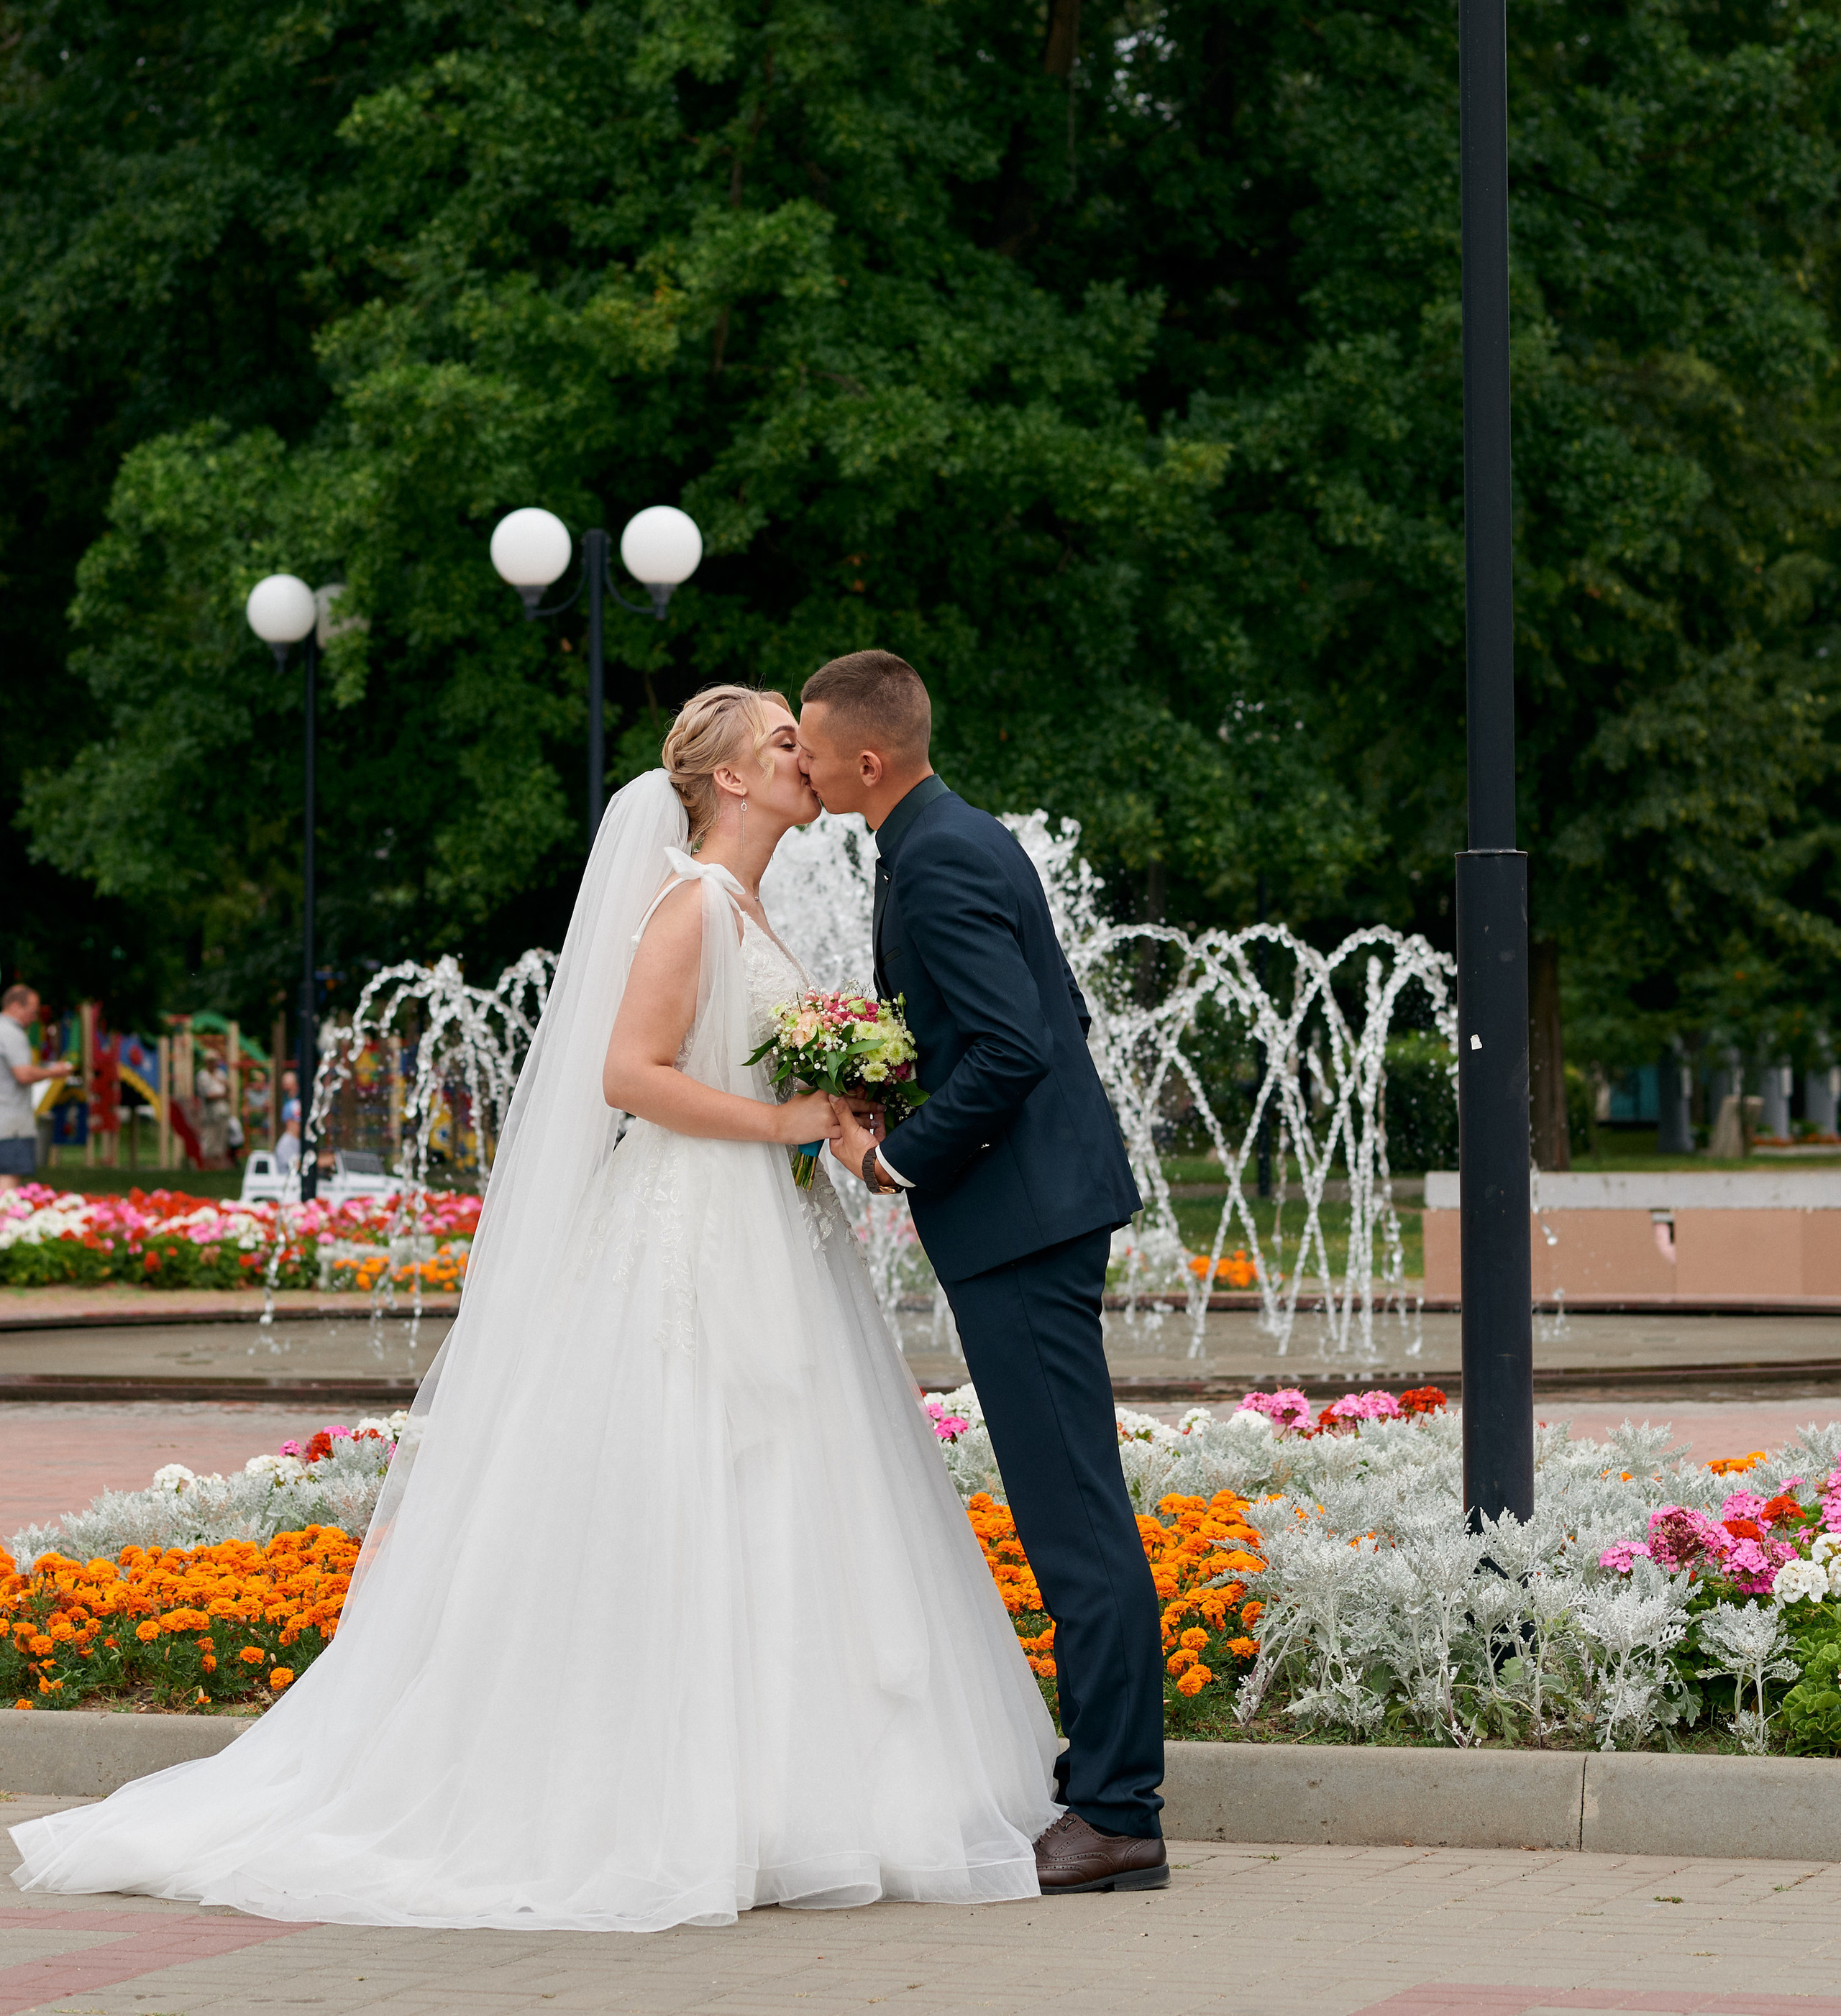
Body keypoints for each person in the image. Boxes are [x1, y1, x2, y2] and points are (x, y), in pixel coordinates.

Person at [11, 685, 1056, 1928]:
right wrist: (785, 1118)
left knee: (795, 1484)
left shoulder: (756, 909)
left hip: (776, 1230)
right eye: (783, 740)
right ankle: (673, 1794)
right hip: (689, 1232)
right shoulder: (690, 906)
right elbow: (630, 1074)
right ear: (727, 777)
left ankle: (799, 1790)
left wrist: (845, 1123)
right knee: (696, 1475)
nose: (806, 757)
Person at [799, 651, 1167, 1897]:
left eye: (806, 745)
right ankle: (1105, 1787)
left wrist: (893, 1158)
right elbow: (1031, 1015)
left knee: (1073, 1514)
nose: (795, 762)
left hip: (1020, 1220)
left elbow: (1014, 1046)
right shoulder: (954, 835)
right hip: (1035, 1207)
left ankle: (1119, 1810)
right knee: (1072, 1502)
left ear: (865, 761)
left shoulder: (940, 854)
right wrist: (893, 1078)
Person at [0, 985, 73, 1194]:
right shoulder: (11, 1032)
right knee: (7, 1187)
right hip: (10, 1124)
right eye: (32, 1011)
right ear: (15, 1006)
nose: (34, 1018)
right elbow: (23, 1074)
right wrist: (54, 1072)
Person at [273, 1096, 301, 1177]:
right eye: (298, 1122)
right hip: (288, 1186)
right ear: (289, 1121)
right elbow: (297, 1165)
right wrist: (322, 1161)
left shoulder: (297, 1140)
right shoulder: (286, 1142)